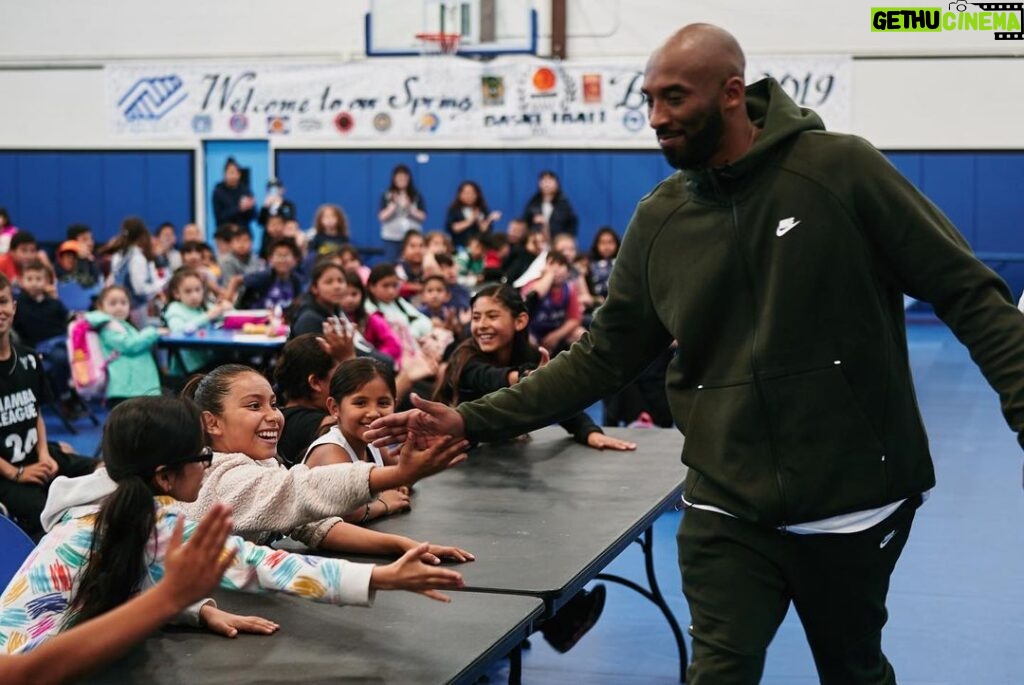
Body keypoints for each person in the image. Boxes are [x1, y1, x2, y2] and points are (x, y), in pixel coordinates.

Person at [365, 23, 1024, 685]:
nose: (656, 117)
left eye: (674, 98)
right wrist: (473, 417)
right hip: (725, 501)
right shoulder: (661, 218)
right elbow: (601, 357)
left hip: (851, 499)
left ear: (732, 93)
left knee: (853, 668)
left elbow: (969, 293)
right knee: (717, 673)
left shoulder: (842, 171)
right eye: (649, 99)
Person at [0, 397, 467, 656]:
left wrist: (193, 609)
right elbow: (262, 564)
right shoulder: (149, 522)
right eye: (202, 457)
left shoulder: (113, 509)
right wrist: (384, 576)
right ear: (164, 474)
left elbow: (118, 583)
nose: (208, 465)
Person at [178, 364, 473, 565]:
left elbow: (315, 526)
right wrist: (397, 474)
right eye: (255, 406)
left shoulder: (263, 465)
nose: (273, 415)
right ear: (211, 422)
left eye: (273, 403)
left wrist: (402, 546)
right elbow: (302, 490)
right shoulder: (222, 478)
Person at [0, 503, 238, 685]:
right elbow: (23, 673)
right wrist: (168, 599)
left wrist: (192, 607)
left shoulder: (92, 524)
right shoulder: (84, 529)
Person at [0, 273, 95, 540]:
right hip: (6, 474)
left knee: (104, 472)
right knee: (53, 516)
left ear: (13, 306)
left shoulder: (29, 358)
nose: (0, 311)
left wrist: (44, 453)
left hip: (35, 457)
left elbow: (35, 413)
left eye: (3, 302)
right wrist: (17, 473)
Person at [303, 358, 411, 523]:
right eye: (360, 403)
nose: (373, 413)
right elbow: (345, 513)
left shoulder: (373, 441)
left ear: (394, 405)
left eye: (383, 403)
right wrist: (384, 503)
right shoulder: (332, 450)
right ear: (334, 408)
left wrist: (395, 485)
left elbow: (401, 473)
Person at [275, 332, 354, 467]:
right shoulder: (315, 425)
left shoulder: (287, 416)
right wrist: (349, 358)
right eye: (341, 375)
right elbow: (362, 421)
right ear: (315, 382)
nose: (346, 382)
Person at [84, 285, 164, 408]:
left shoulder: (123, 325)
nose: (119, 307)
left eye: (123, 302)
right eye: (113, 303)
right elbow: (130, 345)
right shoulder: (108, 327)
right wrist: (153, 331)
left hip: (134, 389)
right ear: (101, 307)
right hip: (124, 390)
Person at [12, 259, 72, 407]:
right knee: (61, 358)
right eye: (29, 279)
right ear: (21, 281)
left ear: (46, 281)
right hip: (35, 347)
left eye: (38, 279)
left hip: (60, 342)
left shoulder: (54, 303)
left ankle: (74, 389)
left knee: (78, 354)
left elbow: (68, 319)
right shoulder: (18, 303)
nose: (34, 283)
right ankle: (65, 395)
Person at [163, 268, 232, 375]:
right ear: (177, 293)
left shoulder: (204, 306)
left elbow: (228, 317)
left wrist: (227, 308)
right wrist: (208, 316)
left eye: (198, 290)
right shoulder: (174, 308)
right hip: (190, 369)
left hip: (210, 361)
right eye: (188, 291)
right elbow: (178, 331)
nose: (194, 296)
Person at [106, 217, 166, 327]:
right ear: (143, 234)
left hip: (120, 307)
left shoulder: (118, 255)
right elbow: (140, 289)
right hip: (136, 310)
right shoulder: (137, 257)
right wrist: (159, 285)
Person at [238, 237, 303, 310]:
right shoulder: (263, 276)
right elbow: (236, 280)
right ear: (270, 259)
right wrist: (228, 298)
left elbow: (297, 303)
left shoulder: (296, 281)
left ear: (295, 259)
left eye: (286, 255)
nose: (282, 260)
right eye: (278, 255)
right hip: (257, 318)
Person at [379, 164, 427, 260]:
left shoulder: (416, 195)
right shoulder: (386, 195)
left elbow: (423, 216)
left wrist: (410, 208)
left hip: (412, 237)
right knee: (391, 262)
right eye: (399, 177)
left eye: (404, 177)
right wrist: (393, 205)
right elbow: (381, 217)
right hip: (391, 237)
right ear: (394, 178)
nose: (401, 180)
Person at [519, 170, 579, 239]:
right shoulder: (533, 203)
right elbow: (525, 223)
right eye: (543, 180)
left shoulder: (564, 205)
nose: (546, 183)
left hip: (557, 243)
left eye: (550, 180)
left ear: (557, 184)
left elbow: (572, 226)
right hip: (537, 242)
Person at [445, 181, 501, 251]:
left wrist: (489, 219)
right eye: (466, 193)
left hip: (480, 247)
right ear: (460, 195)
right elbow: (453, 228)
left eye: (472, 193)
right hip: (460, 246)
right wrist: (470, 221)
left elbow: (484, 230)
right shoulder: (454, 210)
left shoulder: (483, 209)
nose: (469, 196)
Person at [211, 157, 256, 228]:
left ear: (239, 175)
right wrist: (239, 209)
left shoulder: (245, 190)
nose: (233, 176)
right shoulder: (218, 191)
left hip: (243, 231)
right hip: (225, 232)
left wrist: (250, 207)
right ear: (224, 174)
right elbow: (220, 217)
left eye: (235, 173)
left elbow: (254, 216)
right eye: (230, 173)